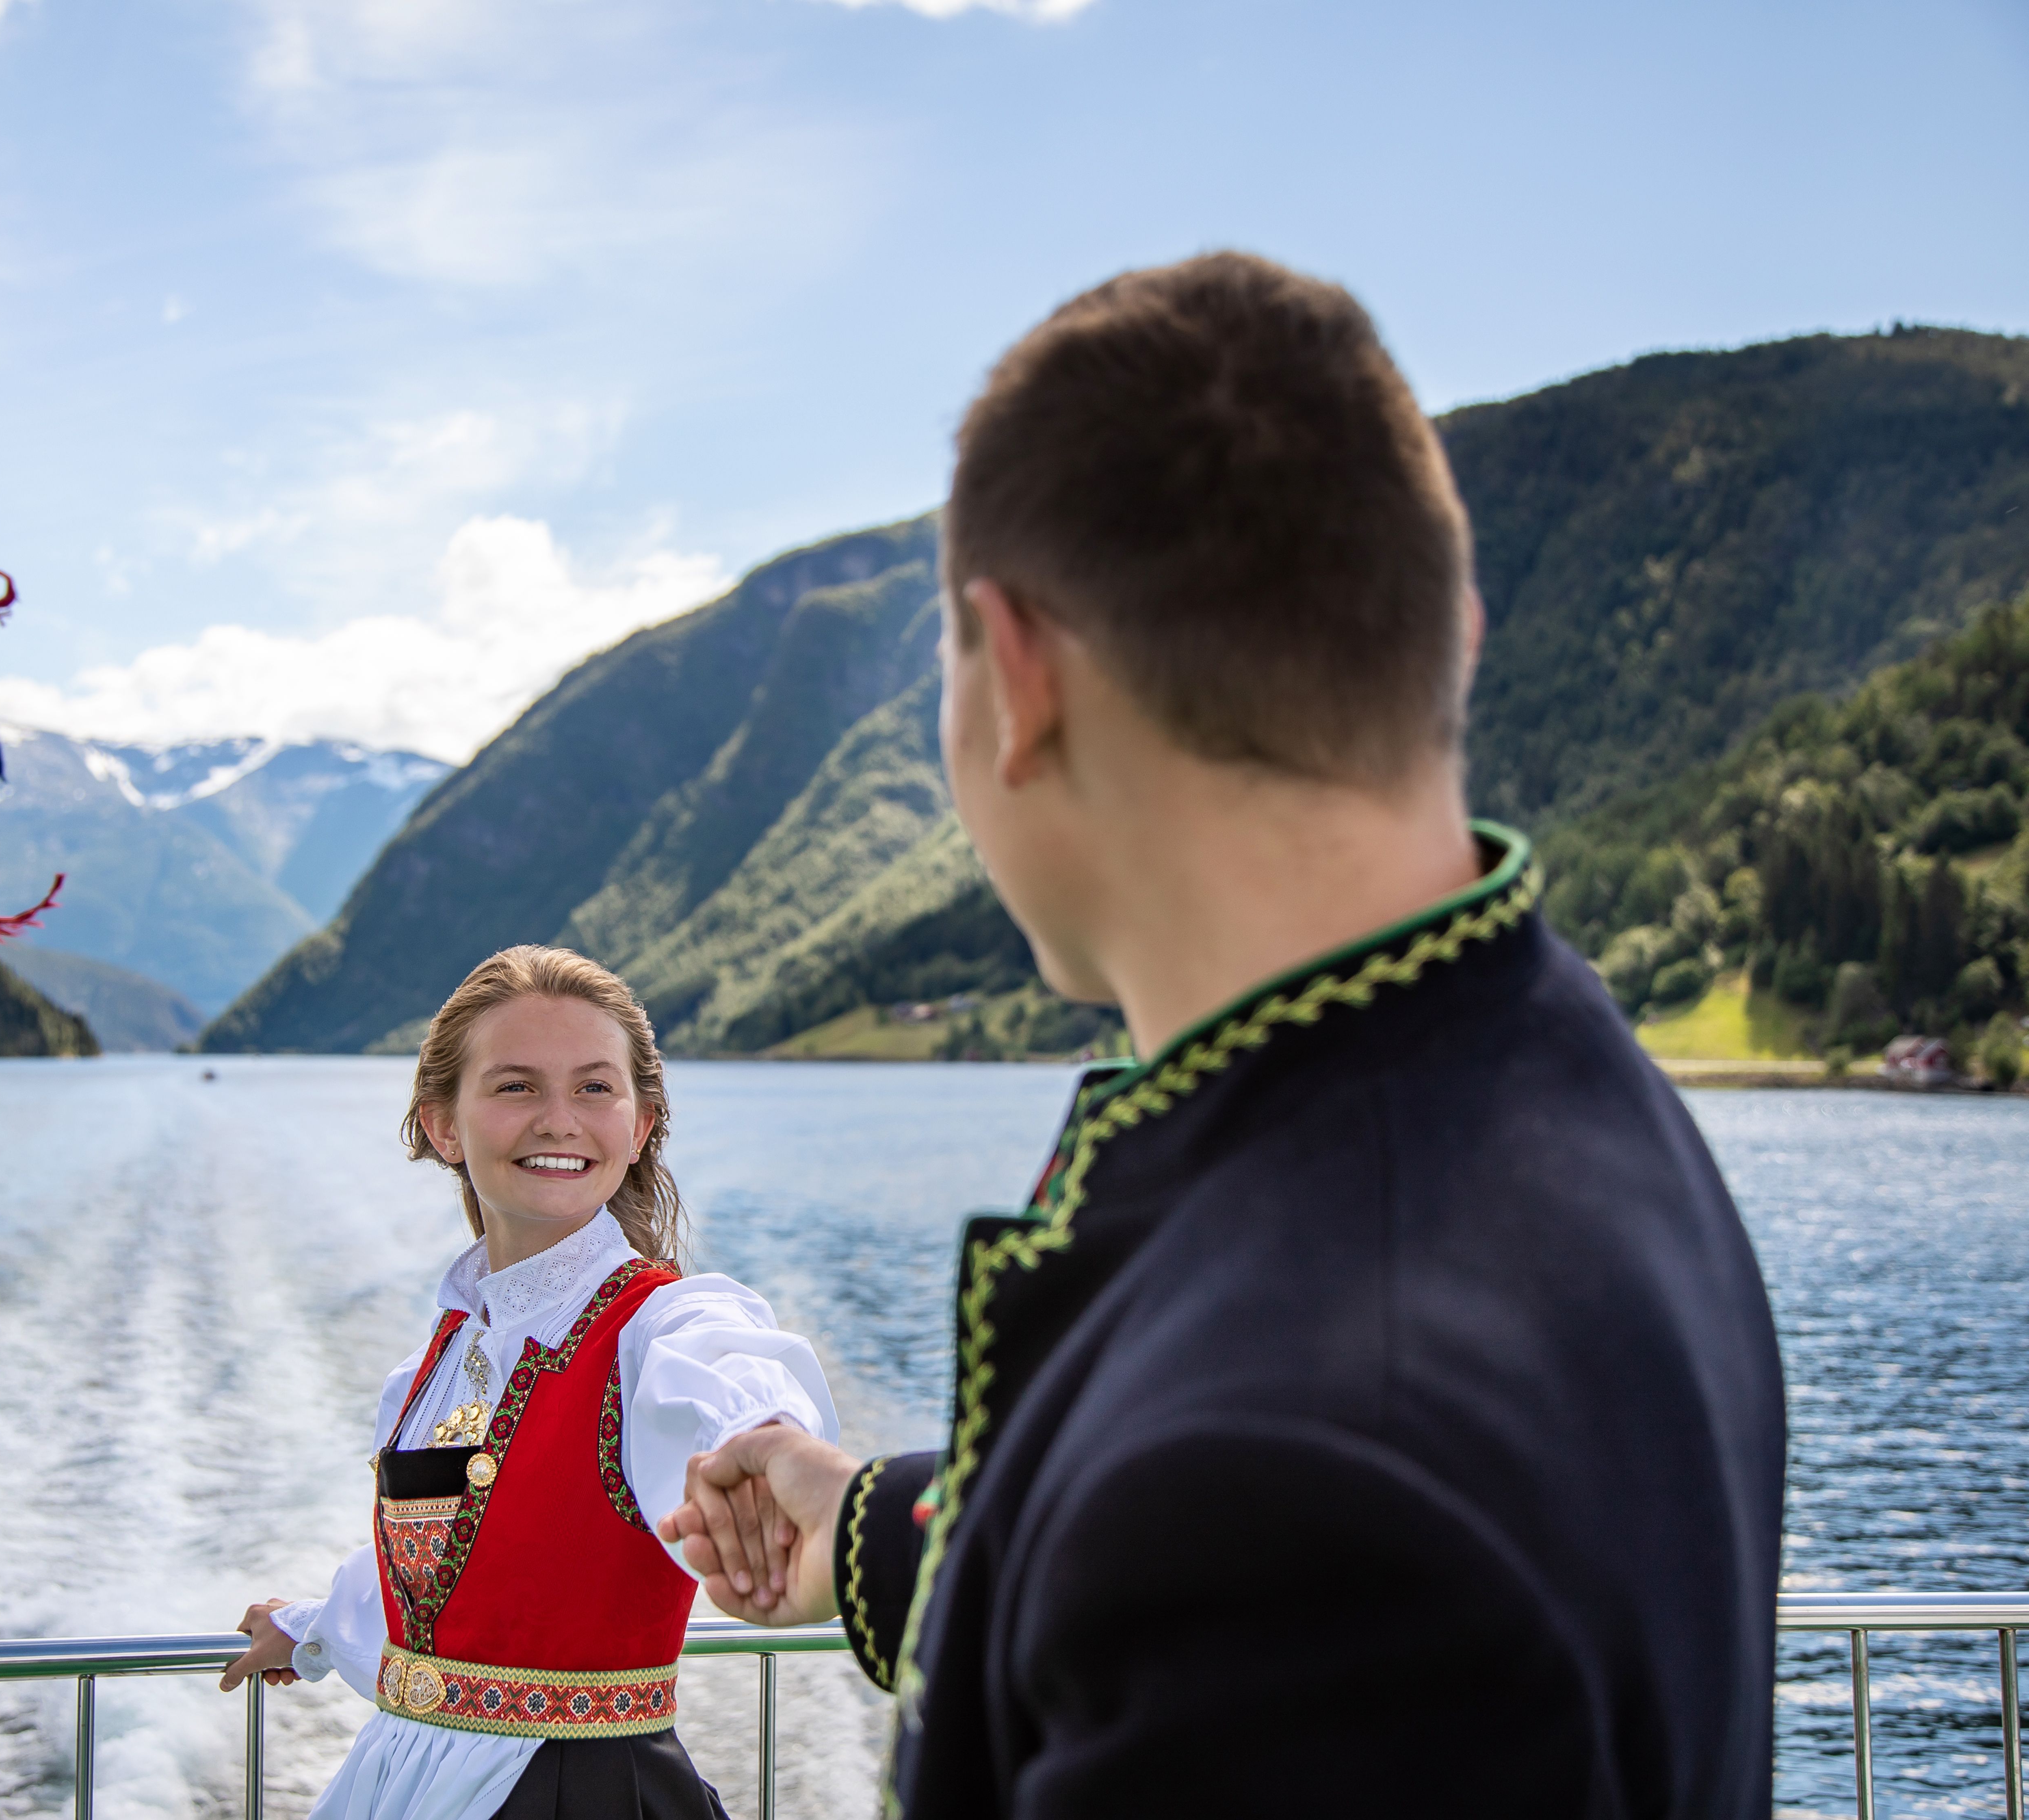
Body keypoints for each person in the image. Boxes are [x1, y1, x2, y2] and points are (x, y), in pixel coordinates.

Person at [658, 253, 1788, 1817]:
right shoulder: (1560, 1073)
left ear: (1021, 680)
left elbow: (1245, 1555)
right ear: (1449, 635)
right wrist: (862, 1522)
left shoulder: (1287, 1481)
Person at [221, 945, 838, 1820]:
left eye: (595, 1087)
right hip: (403, 1782)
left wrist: (770, 1453)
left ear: (641, 1124)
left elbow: (728, 1385)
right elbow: (451, 1585)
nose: (560, 1119)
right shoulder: (431, 1367)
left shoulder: (661, 1327)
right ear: (443, 1124)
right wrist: (312, 1623)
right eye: (516, 1086)